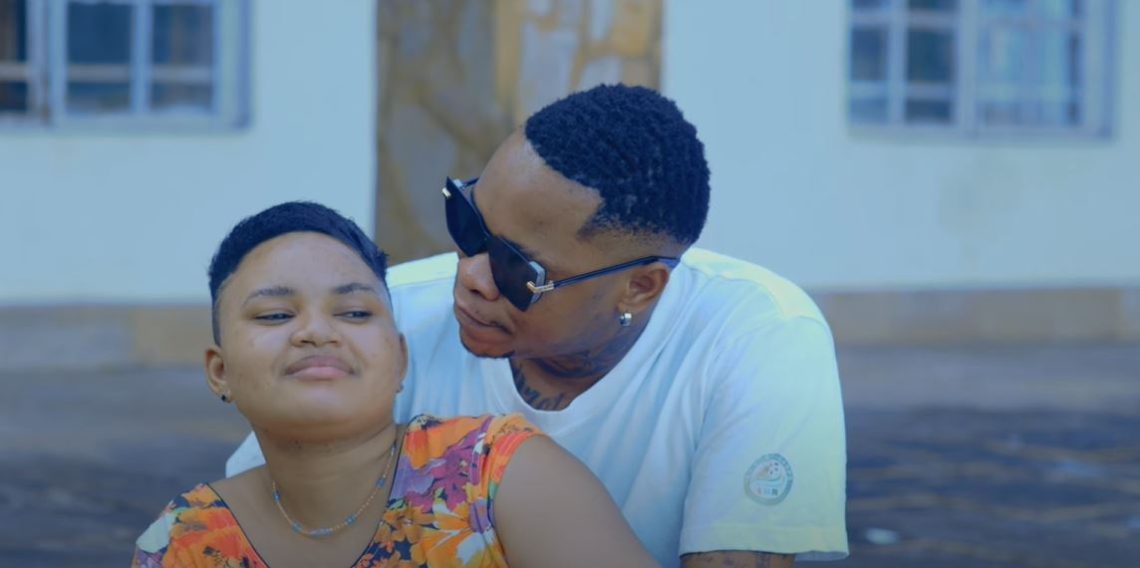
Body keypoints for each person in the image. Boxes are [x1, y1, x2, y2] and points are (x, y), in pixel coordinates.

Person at [229, 84, 848, 566]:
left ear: (639, 287)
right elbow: (253, 531)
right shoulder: (386, 319)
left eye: (515, 267)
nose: (471, 273)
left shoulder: (759, 337)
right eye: (467, 223)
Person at [132, 202, 658, 567]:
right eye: (275, 315)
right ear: (220, 372)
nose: (316, 332)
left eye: (355, 312)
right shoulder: (187, 538)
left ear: (401, 359)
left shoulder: (498, 477)